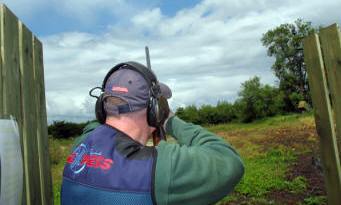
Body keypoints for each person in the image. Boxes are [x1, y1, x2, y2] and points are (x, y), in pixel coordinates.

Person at [61, 61, 244, 205]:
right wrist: (170, 120)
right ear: (154, 110)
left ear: (101, 107)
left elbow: (97, 126)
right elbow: (229, 160)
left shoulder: (81, 145)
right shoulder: (157, 169)